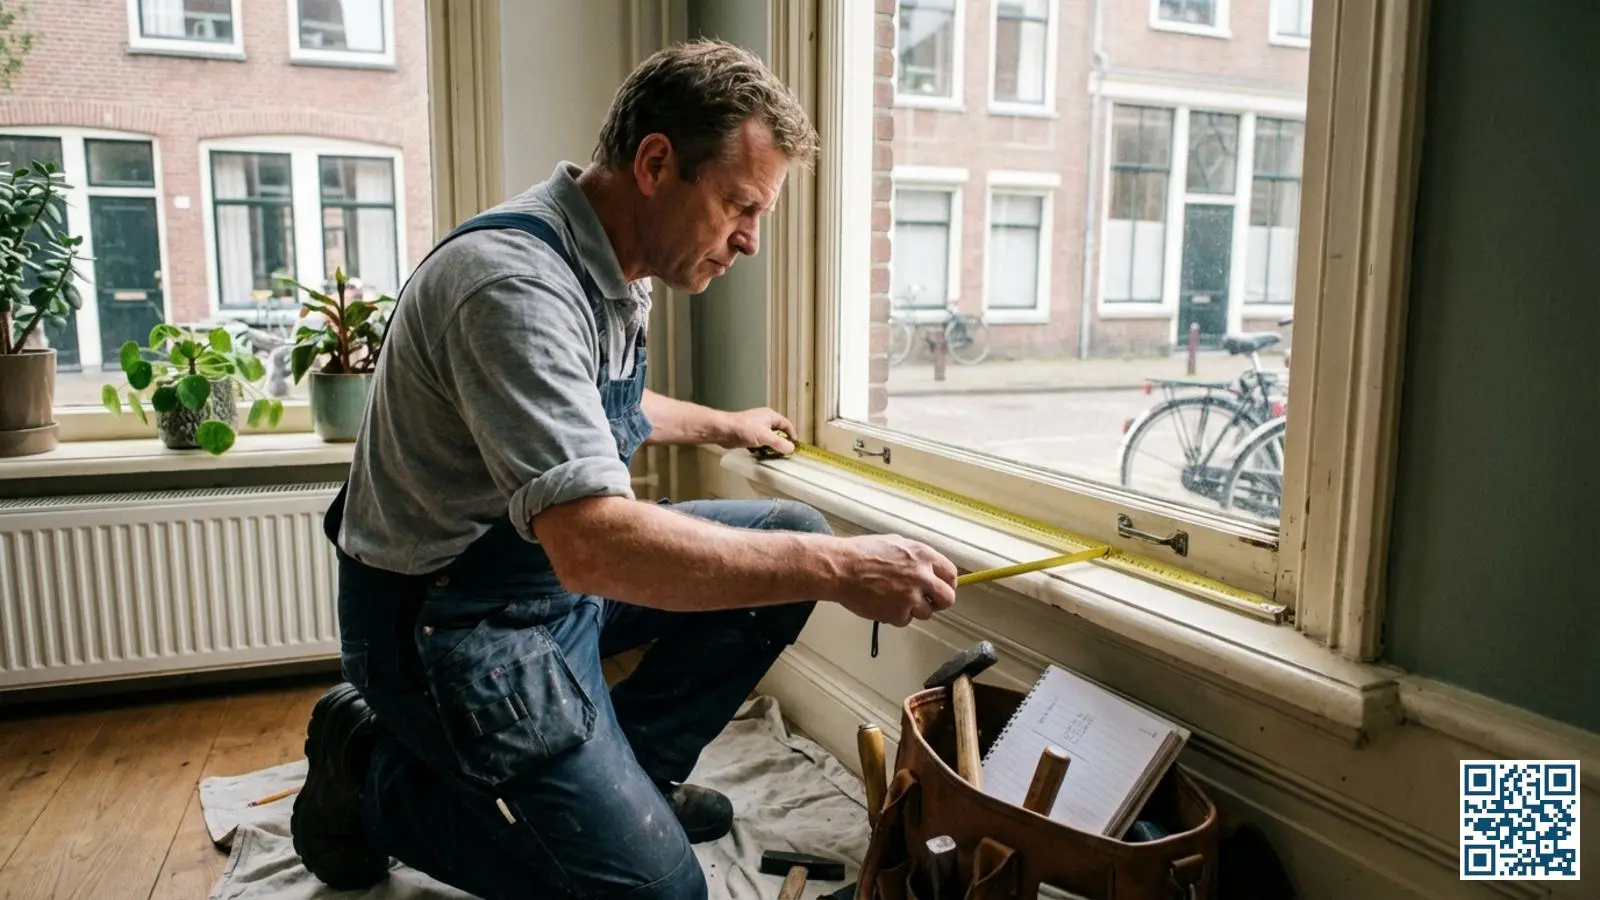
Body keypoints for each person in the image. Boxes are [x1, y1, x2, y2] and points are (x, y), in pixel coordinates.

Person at [289, 38, 960, 900]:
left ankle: (628, 778)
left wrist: (725, 423)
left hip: (543, 585)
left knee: (792, 534)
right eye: (738, 205)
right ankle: (369, 770)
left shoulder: (612, 262)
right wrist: (843, 570)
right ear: (655, 163)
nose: (749, 241)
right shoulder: (510, 288)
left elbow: (591, 414)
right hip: (449, 625)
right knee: (659, 894)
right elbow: (595, 545)